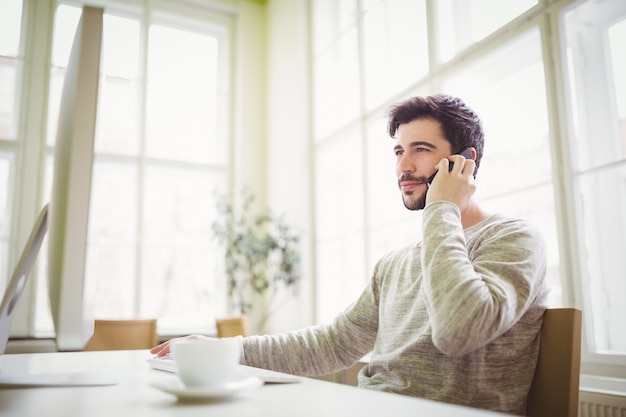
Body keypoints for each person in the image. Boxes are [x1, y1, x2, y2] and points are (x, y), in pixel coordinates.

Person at [151, 94, 549, 415]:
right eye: (398, 151)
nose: (404, 167)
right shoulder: (395, 263)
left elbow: (457, 332)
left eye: (421, 150)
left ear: (464, 162)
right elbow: (333, 344)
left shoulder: (514, 239)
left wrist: (441, 209)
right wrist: (229, 348)